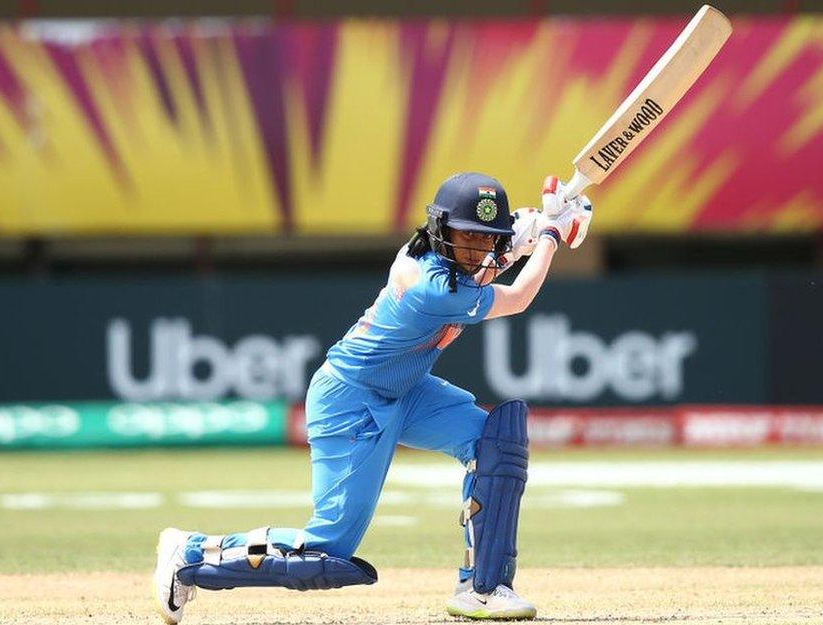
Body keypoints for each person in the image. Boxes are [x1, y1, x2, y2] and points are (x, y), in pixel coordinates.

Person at [153, 172, 592, 623]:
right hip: (351, 400)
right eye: (466, 238)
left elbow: (487, 261)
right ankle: (189, 554)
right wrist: (551, 234)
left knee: (494, 442)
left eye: (485, 240)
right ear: (441, 229)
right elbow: (516, 296)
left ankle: (482, 589)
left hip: (407, 390)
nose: (476, 250)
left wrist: (531, 232)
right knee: (327, 552)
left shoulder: (443, 260)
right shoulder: (430, 288)